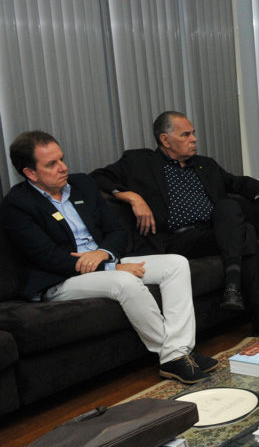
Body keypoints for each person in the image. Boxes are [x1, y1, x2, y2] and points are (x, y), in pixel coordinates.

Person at [2, 131, 213, 384]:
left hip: (102, 261)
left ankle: (176, 353)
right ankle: (177, 356)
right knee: (124, 282)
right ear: (30, 173)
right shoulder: (17, 204)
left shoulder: (81, 184)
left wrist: (104, 254)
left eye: (62, 159)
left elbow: (117, 230)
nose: (63, 167)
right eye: (52, 164)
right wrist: (110, 267)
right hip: (62, 278)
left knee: (176, 264)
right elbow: (46, 257)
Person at [90, 111, 259, 337]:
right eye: (185, 135)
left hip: (211, 234)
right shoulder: (139, 161)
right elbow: (97, 177)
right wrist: (132, 197)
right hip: (176, 240)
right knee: (246, 233)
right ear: (165, 140)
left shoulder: (205, 165)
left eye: (193, 133)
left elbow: (236, 182)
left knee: (229, 209)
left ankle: (234, 287)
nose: (194, 139)